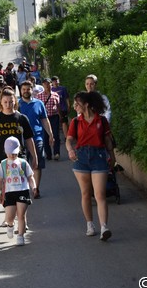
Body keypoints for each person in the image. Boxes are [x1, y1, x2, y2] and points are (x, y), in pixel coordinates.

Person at [66, 91, 116, 241]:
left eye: (77, 103)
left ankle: (104, 227)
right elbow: (69, 140)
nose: (75, 106)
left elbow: (107, 140)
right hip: (81, 157)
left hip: (99, 156)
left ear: (86, 104)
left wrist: (112, 156)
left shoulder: (101, 120)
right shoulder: (75, 121)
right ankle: (89, 224)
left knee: (100, 194)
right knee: (86, 193)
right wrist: (70, 150)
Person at [0, 87, 37, 175]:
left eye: (11, 102)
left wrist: (34, 156)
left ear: (15, 102)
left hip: (19, 158)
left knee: (20, 186)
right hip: (0, 159)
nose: (8, 105)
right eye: (5, 102)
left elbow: (29, 139)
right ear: (1, 103)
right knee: (3, 187)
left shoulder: (22, 118)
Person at [0, 137, 36, 246]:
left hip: (22, 190)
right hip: (9, 192)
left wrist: (34, 187)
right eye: (9, 153)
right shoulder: (3, 164)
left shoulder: (23, 163)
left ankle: (20, 236)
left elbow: (30, 176)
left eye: (14, 153)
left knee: (21, 215)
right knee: (10, 217)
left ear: (18, 150)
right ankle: (10, 225)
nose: (12, 155)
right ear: (5, 151)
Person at [18, 81, 54, 199]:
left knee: (37, 163)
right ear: (20, 90)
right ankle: (25, 188)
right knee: (22, 165)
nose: (26, 91)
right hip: (21, 140)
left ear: (32, 90)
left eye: (28, 89)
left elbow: (44, 120)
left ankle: (36, 189)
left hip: (37, 137)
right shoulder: (17, 105)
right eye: (24, 89)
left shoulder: (39, 103)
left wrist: (50, 134)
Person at [36, 78, 61, 160]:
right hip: (43, 118)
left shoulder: (55, 95)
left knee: (56, 135)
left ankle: (56, 153)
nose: (47, 85)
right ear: (43, 85)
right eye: (45, 84)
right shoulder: (39, 96)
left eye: (48, 83)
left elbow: (58, 106)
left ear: (51, 84)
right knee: (45, 136)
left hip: (54, 117)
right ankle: (48, 154)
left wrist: (60, 116)